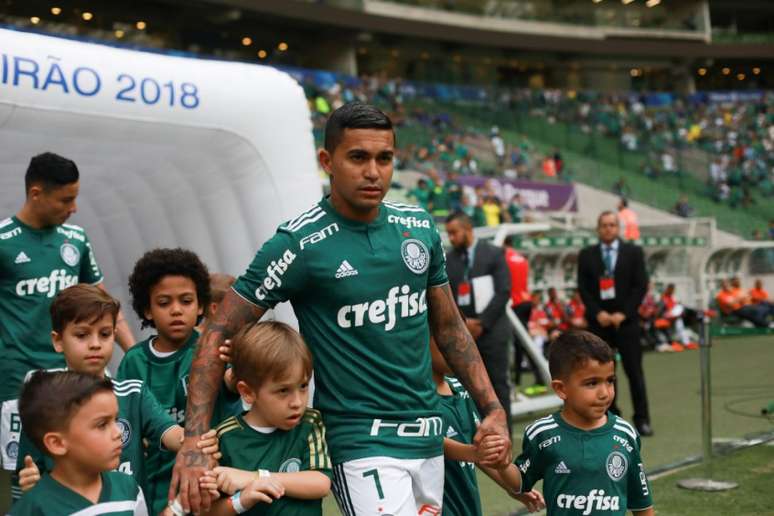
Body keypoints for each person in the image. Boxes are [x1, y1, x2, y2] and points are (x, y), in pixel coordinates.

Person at [172, 102, 509, 515]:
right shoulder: (298, 245)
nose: (373, 171)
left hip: (427, 438)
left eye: (384, 158)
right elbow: (217, 332)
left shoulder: (419, 227)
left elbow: (450, 328)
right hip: (361, 443)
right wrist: (192, 442)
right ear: (327, 161)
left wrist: (491, 408)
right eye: (358, 157)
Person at [12, 285, 219, 509]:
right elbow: (27, 474)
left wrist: (196, 442)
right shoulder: (44, 403)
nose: (95, 344)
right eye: (82, 335)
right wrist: (29, 484)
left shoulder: (133, 393)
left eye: (104, 334)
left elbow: (172, 434)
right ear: (58, 340)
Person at [0, 152, 134, 475]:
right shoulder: (3, 241)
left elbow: (104, 306)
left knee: (75, 468)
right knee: (20, 478)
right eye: (66, 200)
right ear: (36, 194)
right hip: (16, 385)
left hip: (73, 381)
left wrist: (134, 353)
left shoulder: (76, 239)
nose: (73, 208)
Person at [117, 248, 239, 514]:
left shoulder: (214, 352)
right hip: (156, 484)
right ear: (147, 309)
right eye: (164, 303)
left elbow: (234, 383)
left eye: (186, 301)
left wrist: (240, 363)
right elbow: (125, 422)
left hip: (211, 479)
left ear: (202, 305)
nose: (176, 310)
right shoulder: (133, 362)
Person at [514, 331, 654, 516]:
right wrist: (500, 464)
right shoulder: (542, 433)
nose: (604, 392)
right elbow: (518, 482)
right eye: (592, 383)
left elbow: (641, 503)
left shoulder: (625, 433)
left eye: (610, 381)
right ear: (561, 389)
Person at [198, 321, 331, 516]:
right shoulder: (224, 438)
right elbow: (208, 511)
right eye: (283, 390)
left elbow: (321, 482)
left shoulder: (309, 423)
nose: (297, 402)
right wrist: (241, 500)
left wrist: (255, 477)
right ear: (248, 392)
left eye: (303, 386)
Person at [430, 337, 544, 515]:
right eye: (448, 341)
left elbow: (480, 448)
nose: (459, 350)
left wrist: (511, 487)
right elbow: (426, 438)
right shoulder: (413, 399)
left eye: (463, 342)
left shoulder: (459, 389)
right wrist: (473, 453)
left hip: (467, 505)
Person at [11, 372, 147, 515]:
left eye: (116, 420)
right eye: (102, 424)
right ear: (57, 443)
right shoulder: (33, 509)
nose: (118, 432)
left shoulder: (129, 489)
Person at [577, 211, 651, 436]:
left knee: (634, 372)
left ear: (618, 228)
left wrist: (623, 314)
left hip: (626, 323)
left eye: (612, 225)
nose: (608, 229)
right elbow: (583, 289)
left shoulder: (633, 252)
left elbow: (640, 286)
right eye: (604, 225)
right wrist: (598, 313)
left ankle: (642, 419)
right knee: (602, 375)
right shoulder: (587, 255)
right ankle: (610, 418)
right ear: (598, 229)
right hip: (599, 325)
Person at [445, 211, 514, 435]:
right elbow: (446, 297)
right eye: (449, 234)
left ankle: (504, 436)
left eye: (455, 233)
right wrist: (464, 326)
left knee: (498, 385)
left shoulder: (493, 254)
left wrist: (481, 323)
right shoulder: (449, 259)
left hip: (492, 332)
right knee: (466, 387)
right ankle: (475, 436)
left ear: (468, 229)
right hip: (463, 334)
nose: (452, 238)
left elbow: (503, 292)